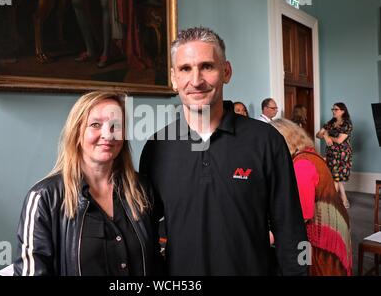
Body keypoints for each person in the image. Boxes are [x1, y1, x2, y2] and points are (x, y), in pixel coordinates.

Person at [139, 27, 308, 275]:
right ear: (174, 79)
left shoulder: (266, 140)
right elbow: (146, 233)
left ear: (226, 72)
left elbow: (291, 230)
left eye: (207, 66)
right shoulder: (156, 147)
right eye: (185, 69)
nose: (196, 80)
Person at [13, 91, 162, 276]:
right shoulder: (44, 197)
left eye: (116, 125)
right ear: (77, 133)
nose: (108, 134)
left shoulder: (142, 190)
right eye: (95, 125)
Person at [271, 119, 352, 276]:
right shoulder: (307, 154)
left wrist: (273, 234)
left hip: (320, 234)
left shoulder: (302, 164)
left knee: (311, 268)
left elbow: (303, 214)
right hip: (329, 226)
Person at [316, 102, 353, 209]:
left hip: (342, 154)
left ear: (342, 111)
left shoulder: (347, 124)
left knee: (335, 178)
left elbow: (340, 140)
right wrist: (325, 135)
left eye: (336, 109)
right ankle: (344, 199)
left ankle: (333, 204)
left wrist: (327, 135)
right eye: (332, 109)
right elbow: (318, 134)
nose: (333, 111)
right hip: (331, 153)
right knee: (335, 177)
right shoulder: (330, 123)